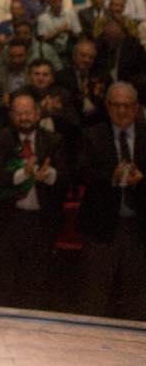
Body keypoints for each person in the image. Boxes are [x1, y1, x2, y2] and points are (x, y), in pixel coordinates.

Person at [0, 91, 66, 309]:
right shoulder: (0, 138)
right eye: (19, 113)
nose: (24, 118)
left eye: (28, 112)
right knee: (3, 283)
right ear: (11, 115)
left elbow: (67, 177)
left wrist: (46, 174)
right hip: (7, 221)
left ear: (38, 114)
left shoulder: (53, 140)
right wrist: (24, 173)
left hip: (41, 222)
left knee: (35, 283)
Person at [78, 82, 146, 320]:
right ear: (107, 107)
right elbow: (81, 173)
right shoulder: (92, 135)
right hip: (101, 228)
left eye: (127, 106)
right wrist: (111, 177)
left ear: (137, 108)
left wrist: (142, 179)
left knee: (138, 298)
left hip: (139, 230)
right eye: (116, 105)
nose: (122, 111)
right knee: (95, 295)